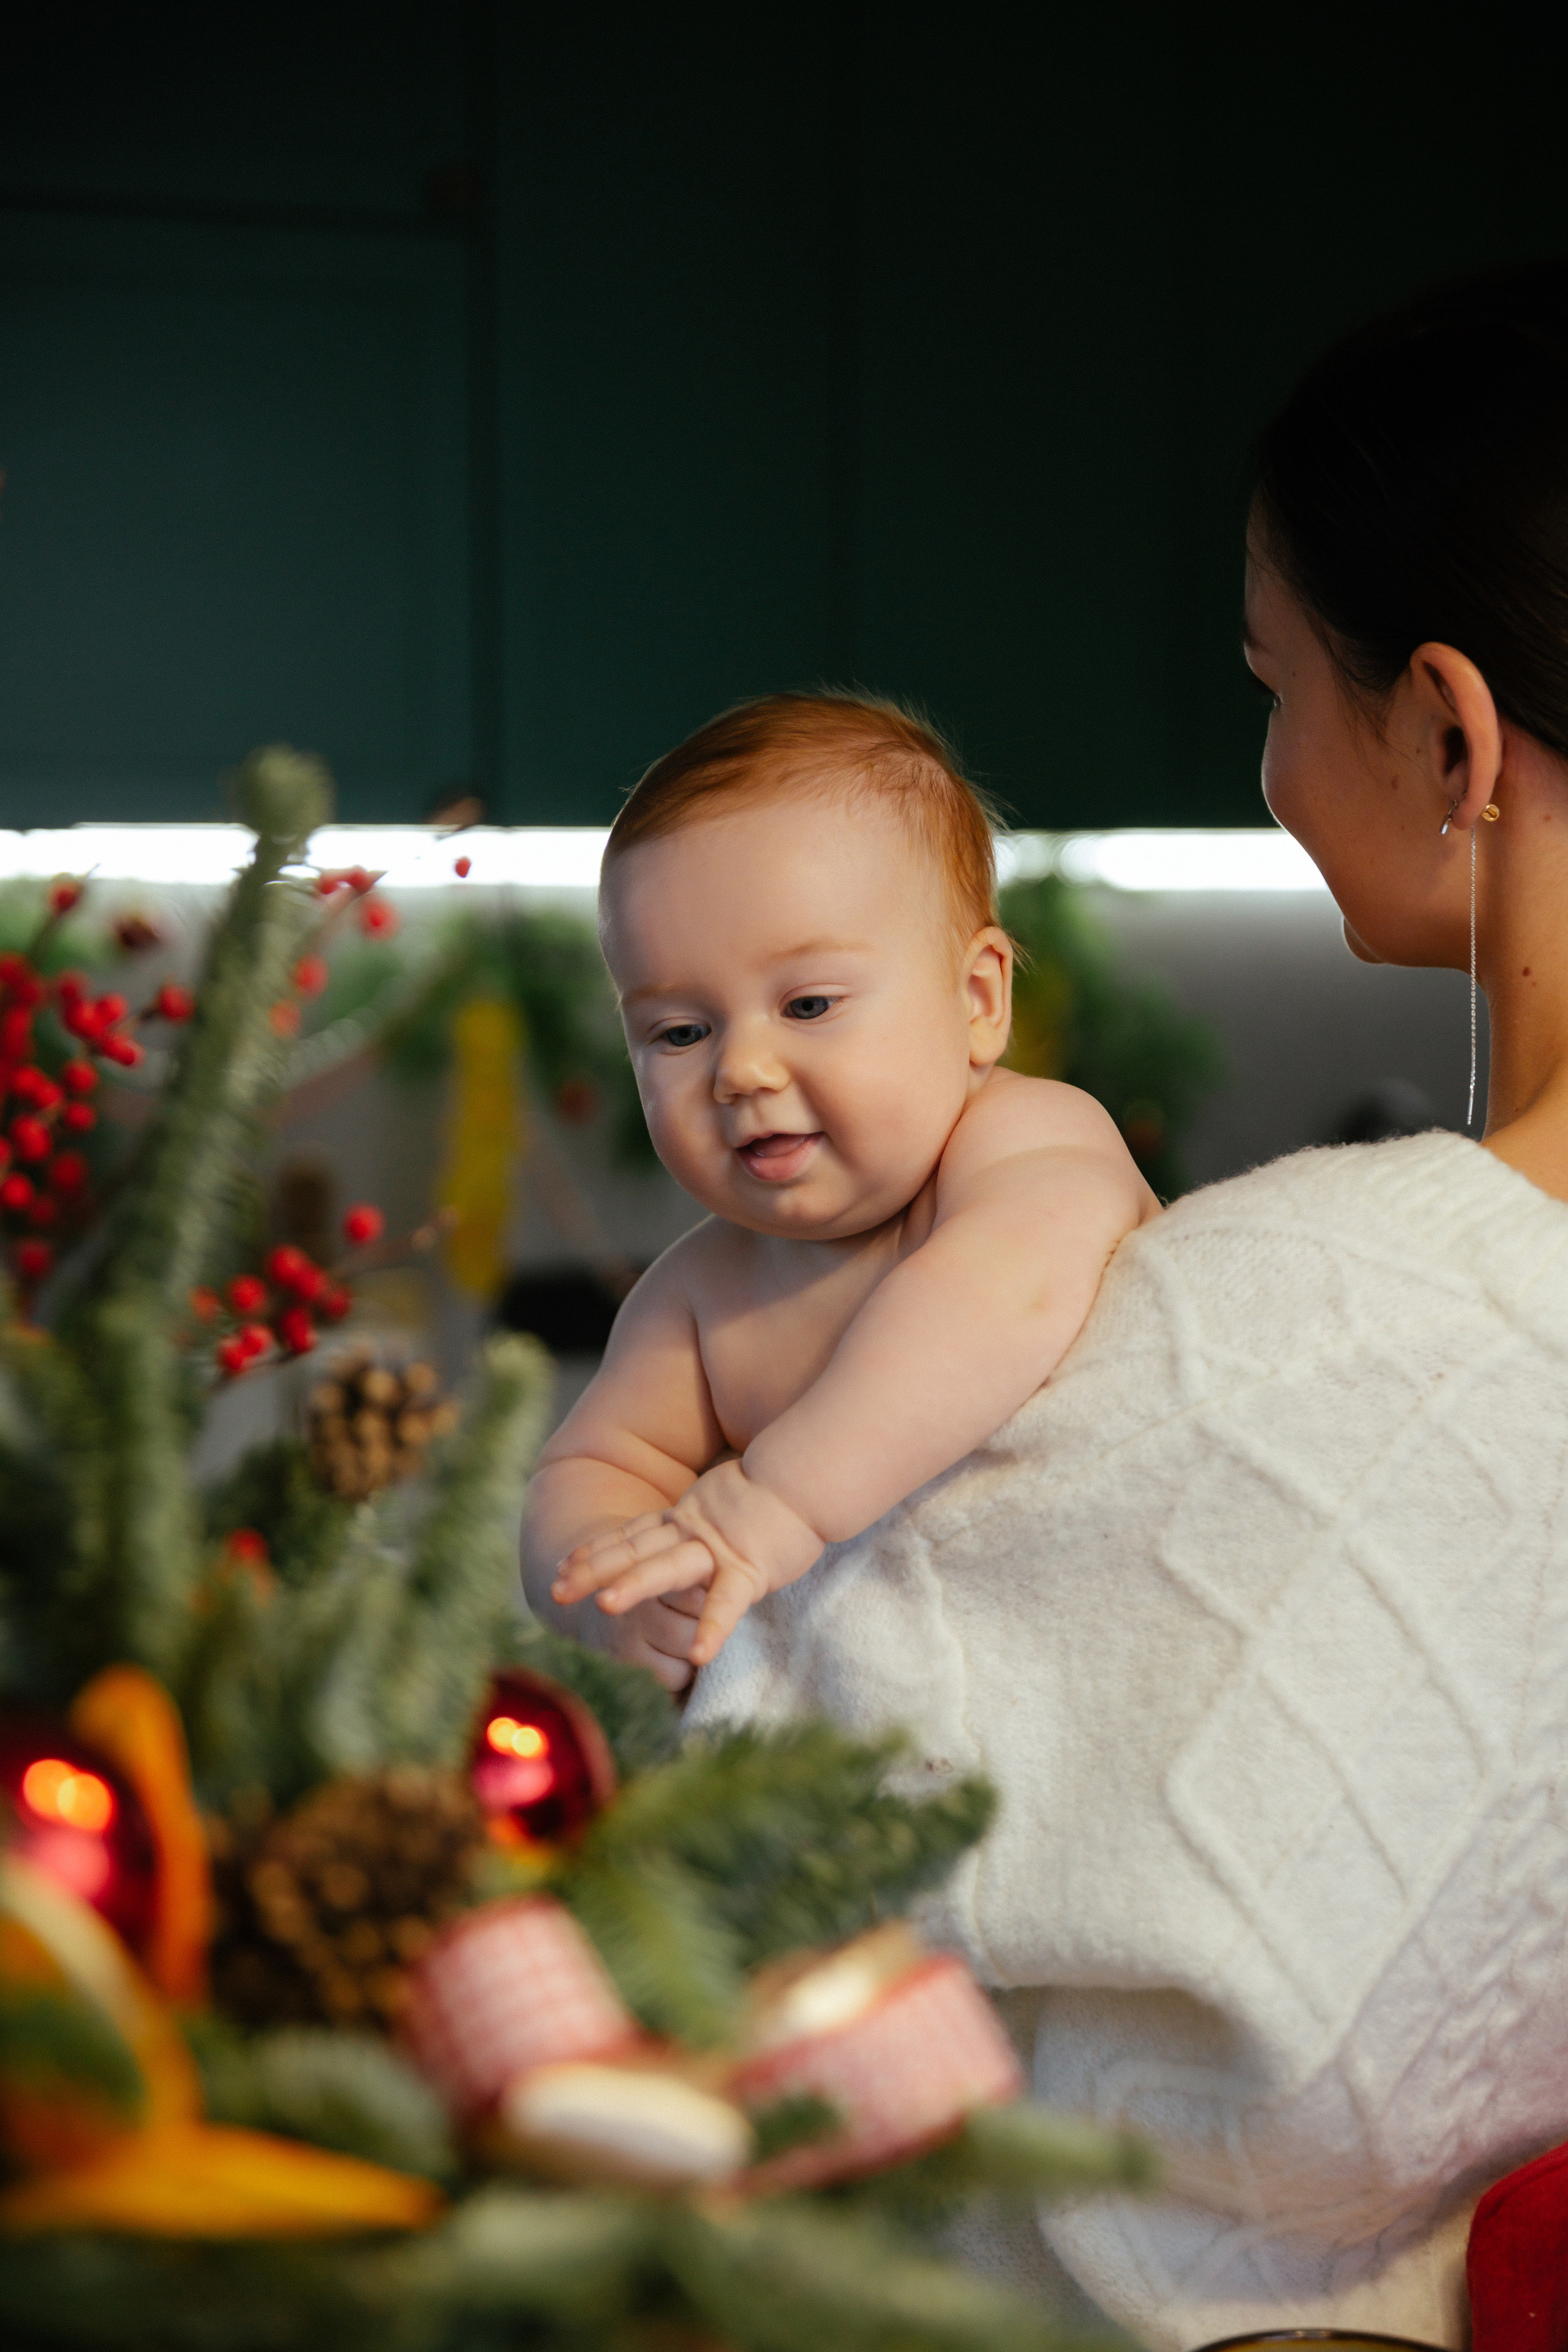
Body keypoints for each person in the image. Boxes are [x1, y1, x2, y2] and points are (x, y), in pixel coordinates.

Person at [544, 262, 1568, 2351]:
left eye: (1277, 682)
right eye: (678, 1026)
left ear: (1450, 730)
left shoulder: (1308, 1320)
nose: (1272, 764)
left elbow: (747, 1831)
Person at [525, 696, 1158, 1684]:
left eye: (808, 1004)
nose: (742, 1070)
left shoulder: (1026, 1141)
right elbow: (585, 1471)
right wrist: (616, 1596)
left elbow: (1006, 1293)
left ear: (977, 999)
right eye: (680, 1032)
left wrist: (773, 1503)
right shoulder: (698, 1298)